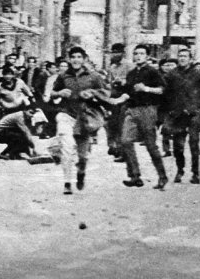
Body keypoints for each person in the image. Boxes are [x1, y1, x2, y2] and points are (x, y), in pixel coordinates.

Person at [51, 46, 109, 195]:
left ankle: (81, 171)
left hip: (84, 118)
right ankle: (67, 182)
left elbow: (106, 93)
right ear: (69, 59)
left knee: (83, 156)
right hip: (66, 115)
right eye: (73, 57)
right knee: (67, 147)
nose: (76, 60)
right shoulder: (63, 76)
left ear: (84, 59)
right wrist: (59, 93)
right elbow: (51, 93)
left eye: (79, 57)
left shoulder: (93, 76)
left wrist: (93, 93)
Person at [109, 45, 168, 190]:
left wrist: (146, 89)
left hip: (147, 109)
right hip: (132, 109)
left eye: (142, 53)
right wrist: (118, 100)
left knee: (150, 145)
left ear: (147, 56)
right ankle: (134, 175)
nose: (138, 56)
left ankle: (162, 176)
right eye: (136, 54)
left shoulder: (153, 72)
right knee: (125, 141)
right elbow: (129, 92)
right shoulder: (131, 73)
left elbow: (162, 90)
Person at [162, 49, 200, 184]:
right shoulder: (171, 75)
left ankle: (195, 173)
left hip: (193, 113)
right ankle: (180, 170)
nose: (182, 58)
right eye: (180, 56)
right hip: (177, 115)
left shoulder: (197, 74)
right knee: (178, 146)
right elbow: (164, 91)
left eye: (185, 56)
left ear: (190, 59)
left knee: (194, 143)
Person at [106, 43, 134, 161]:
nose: (115, 54)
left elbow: (133, 82)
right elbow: (109, 83)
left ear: (122, 53)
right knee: (113, 124)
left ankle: (124, 153)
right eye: (113, 52)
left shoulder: (129, 65)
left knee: (123, 125)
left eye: (117, 52)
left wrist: (123, 82)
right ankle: (117, 148)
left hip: (126, 97)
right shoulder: (112, 67)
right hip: (115, 97)